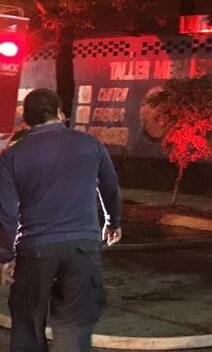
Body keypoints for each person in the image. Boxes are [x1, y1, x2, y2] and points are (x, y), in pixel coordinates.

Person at [0, 88, 122, 352]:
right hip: (83, 247)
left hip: (35, 250)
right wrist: (112, 222)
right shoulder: (90, 144)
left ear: (26, 120)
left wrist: (4, 256)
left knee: (27, 324)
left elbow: (7, 213)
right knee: (74, 327)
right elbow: (110, 187)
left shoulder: (12, 157)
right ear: (59, 112)